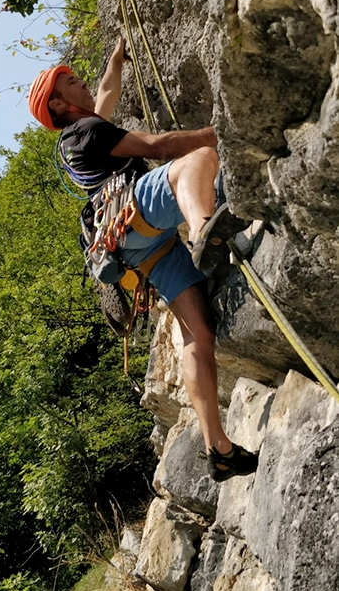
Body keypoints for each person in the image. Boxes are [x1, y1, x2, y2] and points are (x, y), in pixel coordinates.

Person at [28, 37, 258, 483]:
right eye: (73, 82)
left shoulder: (78, 136)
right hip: (130, 215)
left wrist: (116, 59)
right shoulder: (88, 131)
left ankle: (219, 448)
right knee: (197, 160)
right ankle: (206, 228)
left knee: (198, 334)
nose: (84, 83)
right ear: (59, 104)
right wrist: (222, 131)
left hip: (134, 247)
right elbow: (158, 145)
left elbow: (105, 95)